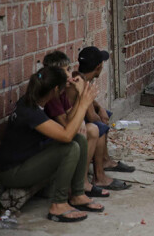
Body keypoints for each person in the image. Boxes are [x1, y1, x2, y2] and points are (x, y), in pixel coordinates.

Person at [0, 67, 104, 223]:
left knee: (79, 139)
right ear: (56, 90)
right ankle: (58, 205)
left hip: (29, 158)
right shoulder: (31, 112)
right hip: (13, 173)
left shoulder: (34, 102)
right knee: (70, 148)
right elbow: (66, 136)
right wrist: (84, 103)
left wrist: (81, 97)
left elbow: (69, 128)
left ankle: (78, 195)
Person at [42, 51, 110, 198]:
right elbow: (67, 124)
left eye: (69, 69)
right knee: (90, 129)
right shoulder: (52, 95)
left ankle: (83, 181)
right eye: (66, 71)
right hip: (47, 142)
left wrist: (81, 96)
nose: (69, 74)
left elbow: (70, 116)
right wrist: (83, 99)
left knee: (91, 129)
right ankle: (78, 185)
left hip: (62, 133)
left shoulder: (62, 92)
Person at [78, 46, 134, 191]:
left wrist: (101, 110)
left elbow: (91, 103)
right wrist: (100, 118)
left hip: (77, 118)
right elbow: (91, 115)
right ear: (98, 67)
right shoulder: (81, 82)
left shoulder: (81, 77)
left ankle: (105, 160)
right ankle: (99, 176)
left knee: (105, 115)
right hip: (75, 123)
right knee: (100, 126)